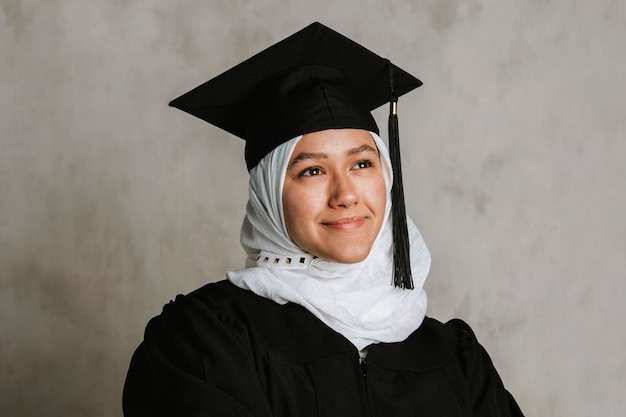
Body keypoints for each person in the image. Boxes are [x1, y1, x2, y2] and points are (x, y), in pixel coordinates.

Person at [123, 22, 524, 416]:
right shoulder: (204, 341)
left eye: (363, 164)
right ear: (269, 196)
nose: (346, 194)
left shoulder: (455, 357)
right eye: (312, 171)